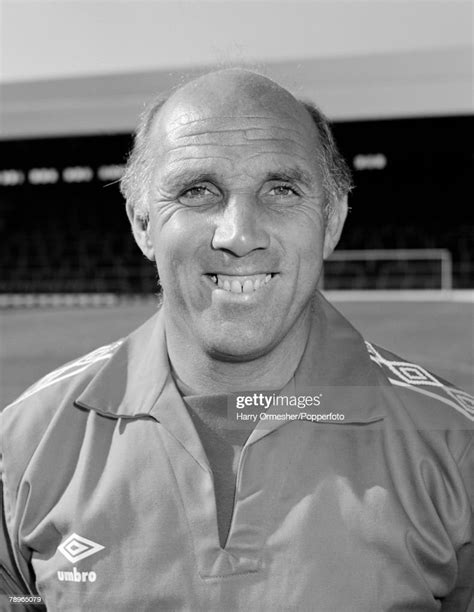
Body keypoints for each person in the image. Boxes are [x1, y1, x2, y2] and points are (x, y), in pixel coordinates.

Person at [1, 68, 472, 612]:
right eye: (197, 191)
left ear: (333, 219)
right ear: (143, 224)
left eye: (281, 189)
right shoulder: (25, 445)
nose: (239, 234)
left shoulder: (457, 446)